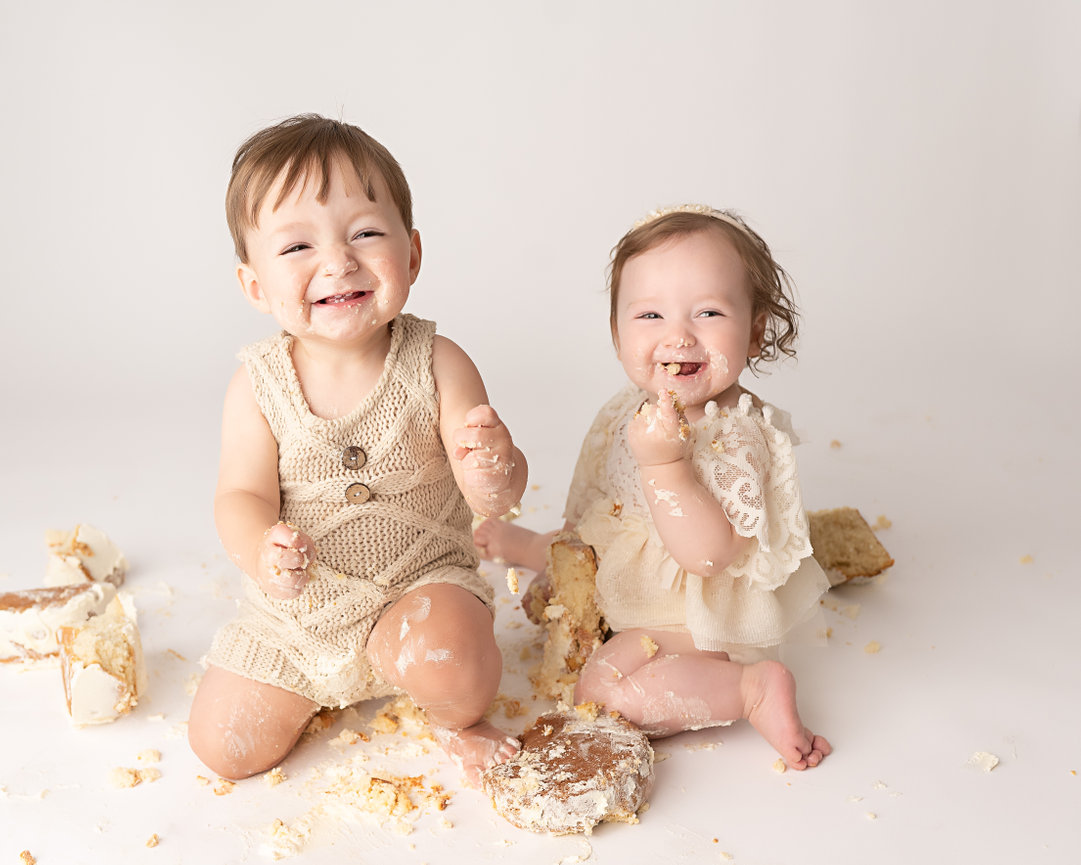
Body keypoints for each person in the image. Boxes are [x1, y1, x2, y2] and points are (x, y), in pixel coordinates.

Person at [188, 114, 526, 786]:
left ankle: (447, 714)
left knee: (454, 671)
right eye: (297, 246)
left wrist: (493, 466)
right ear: (255, 286)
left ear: (412, 255)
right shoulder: (257, 386)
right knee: (223, 746)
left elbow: (494, 496)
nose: (338, 261)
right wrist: (261, 552)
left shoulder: (438, 362)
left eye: (365, 233)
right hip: (302, 611)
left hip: (421, 586)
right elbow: (240, 495)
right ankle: (320, 680)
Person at [475, 205, 832, 770]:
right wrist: (561, 553)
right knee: (576, 556)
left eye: (708, 312)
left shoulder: (736, 436)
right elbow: (602, 499)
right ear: (617, 332)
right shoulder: (633, 405)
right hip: (630, 562)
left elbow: (709, 556)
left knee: (603, 693)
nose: (678, 336)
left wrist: (666, 465)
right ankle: (530, 547)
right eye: (650, 315)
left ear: (755, 331)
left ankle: (750, 689)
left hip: (693, 613)